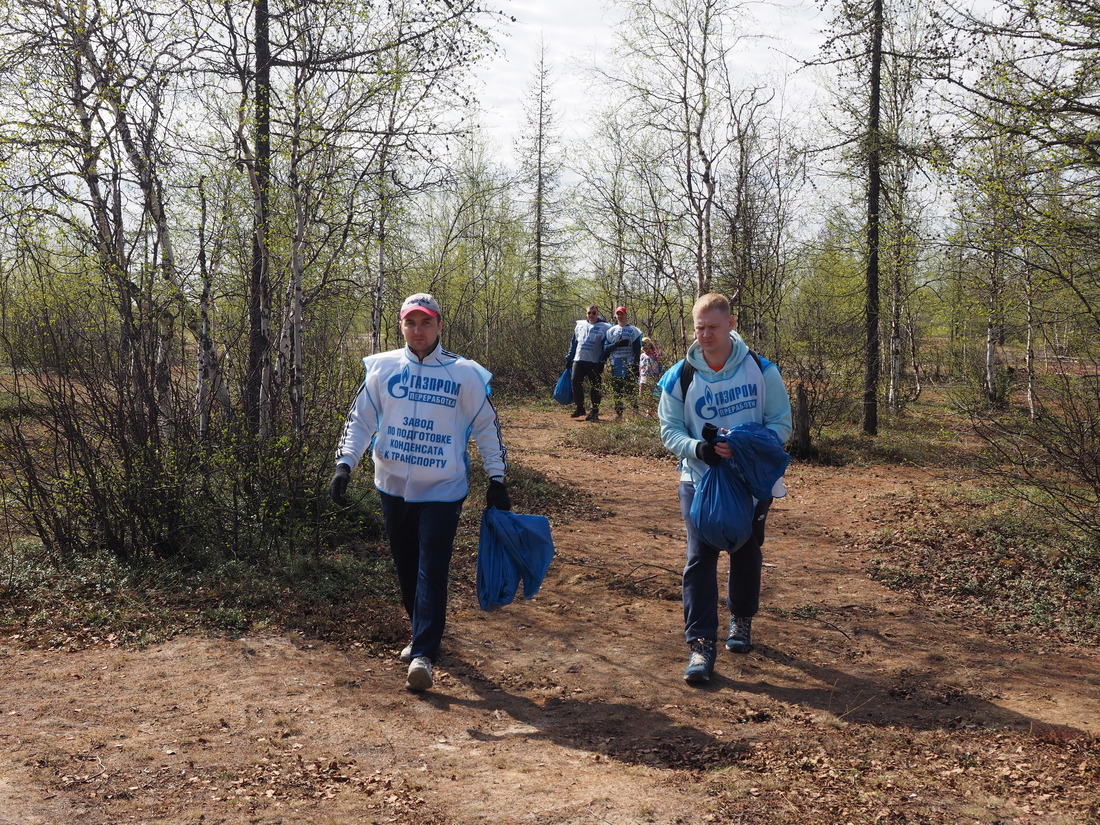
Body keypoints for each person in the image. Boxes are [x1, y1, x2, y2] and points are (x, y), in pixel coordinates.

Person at [329, 292, 512, 693]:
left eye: (425, 322)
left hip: (443, 489)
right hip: (391, 484)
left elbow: (486, 427)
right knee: (406, 566)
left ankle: (424, 653)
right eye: (411, 323)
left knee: (432, 567)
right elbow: (360, 420)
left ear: (439, 325)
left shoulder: (464, 374)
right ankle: (421, 632)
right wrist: (345, 464)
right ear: (401, 326)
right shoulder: (382, 368)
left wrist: (496, 479)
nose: (418, 330)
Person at [657, 293, 792, 685]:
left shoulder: (761, 370)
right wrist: (699, 448)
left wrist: (745, 445)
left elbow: (782, 424)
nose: (705, 335)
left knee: (746, 550)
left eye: (712, 327)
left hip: (751, 482)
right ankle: (701, 642)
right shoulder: (679, 376)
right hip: (699, 478)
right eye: (699, 328)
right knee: (699, 557)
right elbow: (669, 431)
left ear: (731, 324)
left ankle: (741, 619)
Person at [564, 304, 611, 421]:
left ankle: (594, 411)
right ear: (586, 314)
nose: (591, 315)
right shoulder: (580, 325)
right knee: (575, 381)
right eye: (589, 313)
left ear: (597, 314)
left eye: (593, 313)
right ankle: (580, 407)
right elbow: (574, 342)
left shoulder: (604, 327)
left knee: (595, 387)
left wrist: (602, 361)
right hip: (579, 359)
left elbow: (607, 346)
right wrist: (569, 357)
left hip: (594, 362)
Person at [603, 306, 644, 420]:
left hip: (629, 363)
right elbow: (605, 348)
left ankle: (635, 412)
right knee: (617, 389)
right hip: (616, 363)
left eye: (622, 314)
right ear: (615, 316)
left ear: (626, 315)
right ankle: (619, 413)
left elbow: (637, 350)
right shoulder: (611, 331)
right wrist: (617, 344)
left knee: (631, 389)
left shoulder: (634, 331)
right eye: (618, 314)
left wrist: (636, 366)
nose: (620, 316)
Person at [638, 336, 663, 416]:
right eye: (643, 348)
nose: (644, 349)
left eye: (646, 348)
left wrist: (658, 375)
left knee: (649, 395)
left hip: (651, 376)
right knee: (641, 393)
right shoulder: (642, 355)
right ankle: (652, 407)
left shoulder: (654, 355)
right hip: (643, 376)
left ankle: (650, 411)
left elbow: (659, 366)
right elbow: (640, 366)